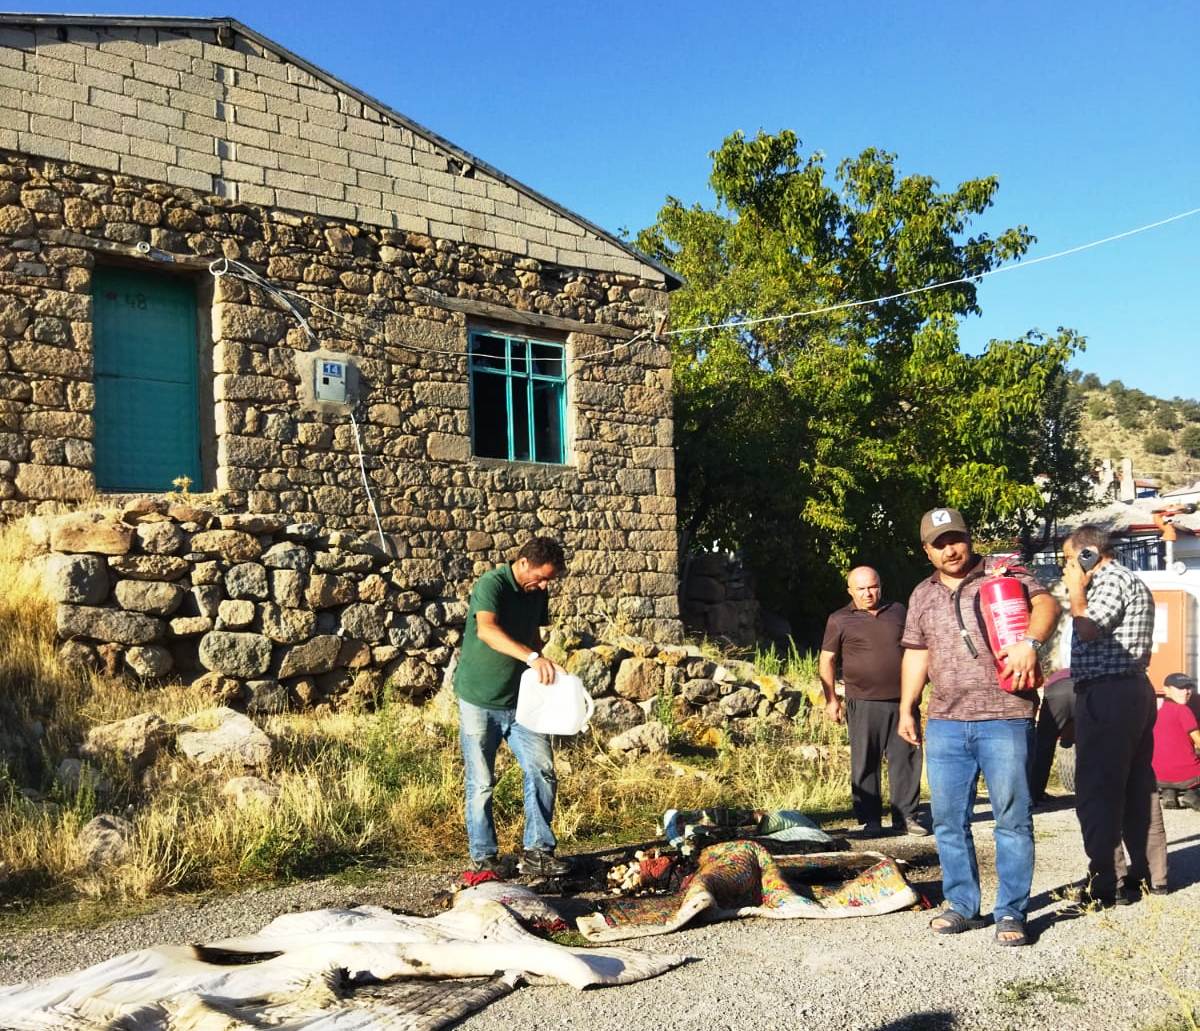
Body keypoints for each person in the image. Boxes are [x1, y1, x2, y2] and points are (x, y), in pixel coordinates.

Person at [898, 507, 1059, 946]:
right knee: (949, 820)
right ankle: (963, 906)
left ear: (969, 539)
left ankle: (1011, 912)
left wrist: (1031, 644)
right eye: (939, 543)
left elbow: (1047, 603)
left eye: (956, 539)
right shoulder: (922, 594)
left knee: (1012, 819)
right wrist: (907, 707)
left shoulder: (1003, 572)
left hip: (1005, 716)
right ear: (926, 550)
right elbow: (917, 652)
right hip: (947, 721)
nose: (951, 549)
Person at [1062, 525, 1167, 905]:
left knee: (1097, 790)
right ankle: (1152, 874)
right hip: (1130, 689)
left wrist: (1076, 591)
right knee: (1139, 787)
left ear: (1088, 554)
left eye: (1069, 560)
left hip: (1109, 692)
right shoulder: (1129, 580)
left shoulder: (1109, 581)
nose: (1066, 568)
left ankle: (1107, 881)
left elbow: (1088, 629)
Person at [453, 537, 569, 877]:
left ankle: (538, 852)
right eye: (542, 577)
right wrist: (532, 658)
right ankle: (485, 858)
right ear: (523, 563)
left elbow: (532, 632)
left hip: (521, 703)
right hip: (479, 700)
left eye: (550, 580)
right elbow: (487, 631)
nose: (546, 585)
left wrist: (543, 659)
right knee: (482, 781)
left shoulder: (538, 591)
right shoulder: (492, 584)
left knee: (542, 768)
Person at [819, 566, 927, 836]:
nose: (868, 594)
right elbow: (827, 660)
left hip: (903, 701)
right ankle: (871, 820)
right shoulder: (840, 619)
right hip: (863, 701)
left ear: (881, 585)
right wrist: (832, 699)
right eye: (861, 589)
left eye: (873, 587)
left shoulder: (899, 611)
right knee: (865, 761)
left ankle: (906, 818)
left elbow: (917, 649)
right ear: (850, 591)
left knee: (906, 759)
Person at [1153, 673, 1200, 813]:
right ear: (1166, 689)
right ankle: (1192, 795)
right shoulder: (1183, 710)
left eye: (1188, 688)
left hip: (1159, 776)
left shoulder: (1158, 712)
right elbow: (1198, 739)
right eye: (1180, 688)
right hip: (1186, 776)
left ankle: (1169, 794)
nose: (1186, 692)